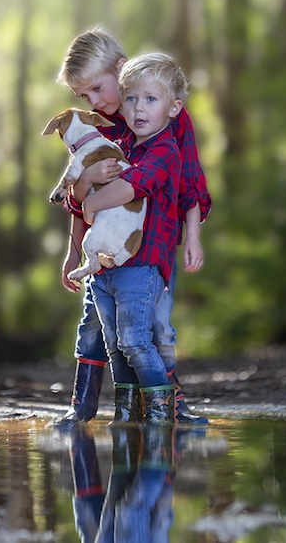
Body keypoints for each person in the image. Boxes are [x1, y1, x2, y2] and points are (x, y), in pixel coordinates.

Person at [52, 28, 211, 427]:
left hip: (151, 249)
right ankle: (82, 407)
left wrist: (193, 235)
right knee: (94, 324)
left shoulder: (168, 119)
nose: (95, 101)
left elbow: (190, 183)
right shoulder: (94, 129)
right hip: (103, 251)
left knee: (155, 327)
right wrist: (73, 250)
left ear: (120, 70)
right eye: (83, 96)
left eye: (98, 88)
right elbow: (76, 194)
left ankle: (171, 406)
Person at [79, 51, 188, 425]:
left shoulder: (164, 150)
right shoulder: (122, 148)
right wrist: (85, 183)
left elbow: (132, 188)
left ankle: (162, 412)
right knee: (115, 346)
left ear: (173, 109)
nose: (139, 108)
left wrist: (91, 198)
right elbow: (80, 189)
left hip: (142, 265)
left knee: (136, 341)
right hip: (106, 267)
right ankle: (126, 413)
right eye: (131, 99)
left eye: (151, 100)